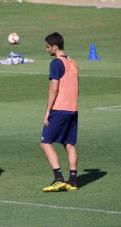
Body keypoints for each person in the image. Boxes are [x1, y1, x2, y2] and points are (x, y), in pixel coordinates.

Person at [40, 32, 79, 192]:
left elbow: (54, 88)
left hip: (59, 109)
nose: (46, 49)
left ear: (55, 47)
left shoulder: (56, 63)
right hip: (73, 109)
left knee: (45, 142)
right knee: (69, 144)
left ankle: (58, 178)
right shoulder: (73, 62)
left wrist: (47, 111)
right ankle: (73, 180)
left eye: (47, 47)